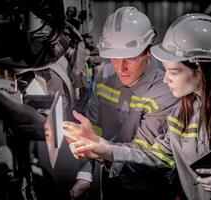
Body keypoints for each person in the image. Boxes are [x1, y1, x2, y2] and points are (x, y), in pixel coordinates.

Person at [64, 13, 211, 199]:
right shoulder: (182, 113)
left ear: (201, 69)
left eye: (173, 72)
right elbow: (155, 155)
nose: (165, 78)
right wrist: (102, 147)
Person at [65, 6, 179, 200]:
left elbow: (142, 155)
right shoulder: (105, 74)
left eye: (131, 58)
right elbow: (94, 129)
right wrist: (85, 176)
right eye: (115, 58)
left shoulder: (165, 91)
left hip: (149, 188)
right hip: (110, 181)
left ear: (148, 51)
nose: (121, 68)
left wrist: (100, 148)